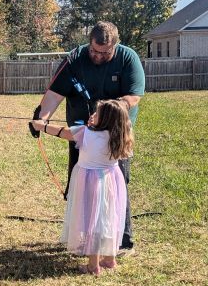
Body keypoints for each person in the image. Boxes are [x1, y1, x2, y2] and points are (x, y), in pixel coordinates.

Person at [29, 21, 145, 254]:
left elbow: (133, 97)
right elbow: (54, 94)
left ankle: (122, 240)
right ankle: (84, 237)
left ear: (115, 46)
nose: (98, 56)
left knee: (116, 185)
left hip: (115, 135)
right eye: (94, 51)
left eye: (105, 53)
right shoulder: (75, 59)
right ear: (89, 43)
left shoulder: (128, 58)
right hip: (82, 134)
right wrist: (41, 118)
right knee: (82, 183)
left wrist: (106, 115)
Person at [30, 100, 133, 273]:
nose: (92, 115)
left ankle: (93, 266)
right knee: (108, 218)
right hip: (111, 181)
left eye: (97, 113)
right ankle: (109, 260)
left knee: (92, 222)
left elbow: (62, 131)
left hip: (90, 182)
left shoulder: (85, 133)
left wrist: (41, 126)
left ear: (105, 119)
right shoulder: (121, 135)